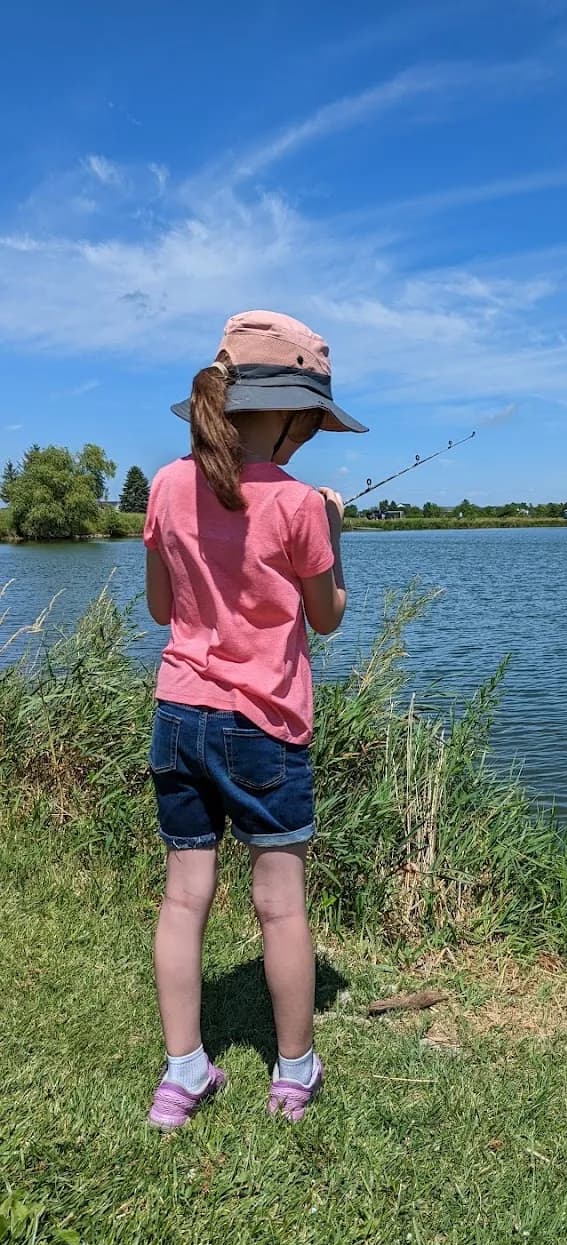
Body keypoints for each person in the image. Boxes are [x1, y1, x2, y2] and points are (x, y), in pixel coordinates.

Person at [142, 310, 368, 1130]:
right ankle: (295, 1075)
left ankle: (182, 1075)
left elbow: (162, 606)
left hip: (178, 715)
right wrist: (333, 534)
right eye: (308, 421)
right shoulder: (303, 503)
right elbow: (330, 616)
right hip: (264, 728)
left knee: (182, 900)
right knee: (280, 906)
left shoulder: (165, 486)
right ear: (289, 414)